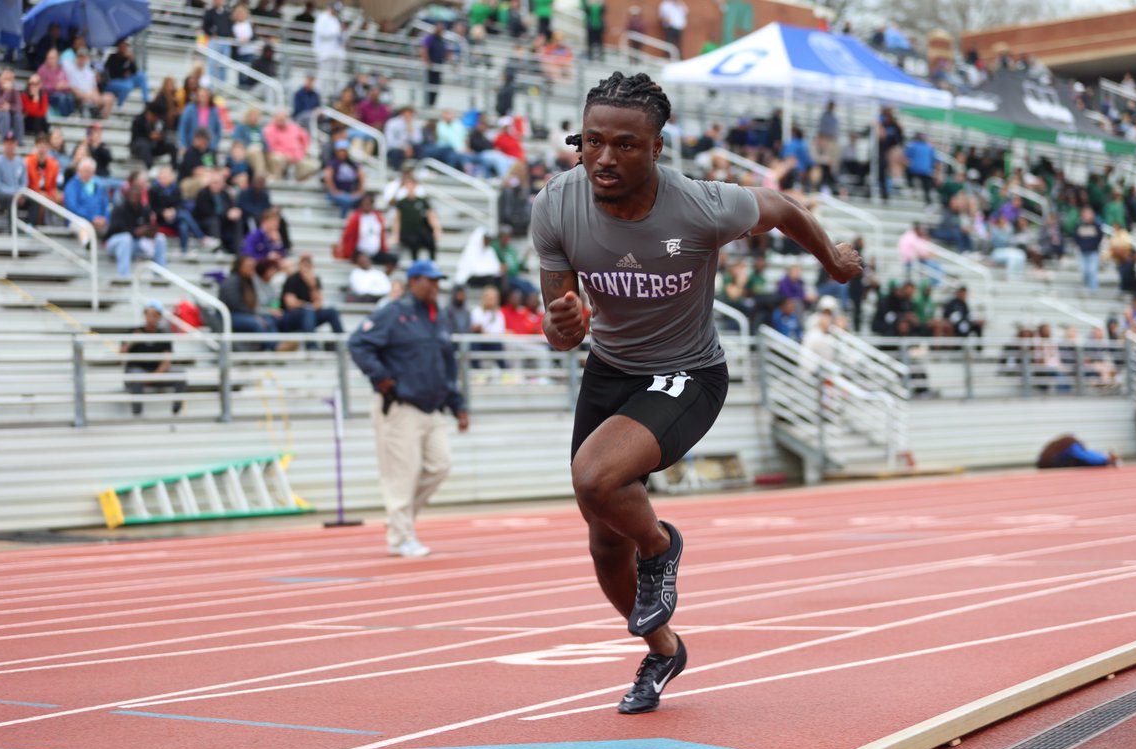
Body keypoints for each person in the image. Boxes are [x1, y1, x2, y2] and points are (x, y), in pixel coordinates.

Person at [531, 72, 861, 714]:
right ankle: (662, 648)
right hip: (610, 371)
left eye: (625, 145)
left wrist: (833, 261)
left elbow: (783, 208)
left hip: (688, 371)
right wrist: (559, 323)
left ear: (657, 148)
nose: (604, 157)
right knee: (602, 538)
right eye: (593, 141)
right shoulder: (556, 205)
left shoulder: (702, 205)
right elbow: (561, 327)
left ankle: (661, 546)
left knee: (596, 480)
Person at [348, 259, 470, 558]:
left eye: (438, 281)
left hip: (432, 407)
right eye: (429, 280)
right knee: (402, 474)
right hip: (401, 406)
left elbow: (447, 365)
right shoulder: (394, 313)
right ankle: (400, 537)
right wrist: (382, 378)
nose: (435, 286)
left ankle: (398, 521)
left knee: (440, 465)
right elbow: (358, 343)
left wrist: (458, 405)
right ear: (413, 281)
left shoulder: (438, 317)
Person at [122, 300, 187, 416]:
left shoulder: (164, 334)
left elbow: (167, 361)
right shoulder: (134, 332)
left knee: (181, 373)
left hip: (156, 373)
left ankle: (176, 412)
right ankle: (137, 414)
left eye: (154, 315)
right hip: (137, 372)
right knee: (136, 375)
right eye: (148, 315)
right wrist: (132, 342)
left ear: (159, 317)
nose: (150, 318)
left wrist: (155, 375)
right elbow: (121, 355)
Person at [279, 253, 344, 347]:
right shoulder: (292, 279)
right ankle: (312, 347)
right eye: (303, 265)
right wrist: (307, 306)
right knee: (308, 311)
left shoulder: (315, 280)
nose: (306, 269)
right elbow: (290, 303)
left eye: (308, 266)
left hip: (309, 314)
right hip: (292, 316)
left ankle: (340, 344)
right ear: (299, 266)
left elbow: (319, 303)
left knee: (332, 311)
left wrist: (312, 286)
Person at [105, 183, 169, 278]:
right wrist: (134, 231)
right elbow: (113, 230)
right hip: (115, 243)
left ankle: (160, 275)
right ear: (127, 195)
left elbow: (148, 227)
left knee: (160, 238)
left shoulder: (145, 209)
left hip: (137, 243)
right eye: (132, 195)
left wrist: (149, 232)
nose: (134, 197)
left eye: (137, 195)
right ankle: (123, 276)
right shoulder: (119, 209)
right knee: (126, 238)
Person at [24, 133, 61, 225]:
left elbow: (53, 185)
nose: (42, 146)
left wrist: (48, 194)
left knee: (61, 198)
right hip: (31, 193)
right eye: (39, 143)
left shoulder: (54, 164)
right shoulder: (28, 161)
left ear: (48, 146)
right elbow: (26, 183)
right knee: (40, 200)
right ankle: (39, 226)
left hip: (47, 193)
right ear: (36, 146)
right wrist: (39, 193)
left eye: (44, 144)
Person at [322, 139, 364, 216]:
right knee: (346, 200)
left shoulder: (352, 163)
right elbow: (327, 176)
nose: (342, 153)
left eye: (344, 150)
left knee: (364, 199)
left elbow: (361, 175)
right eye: (340, 150)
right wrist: (334, 190)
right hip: (338, 192)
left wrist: (360, 191)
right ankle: (343, 219)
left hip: (351, 192)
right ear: (336, 151)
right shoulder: (333, 163)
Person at [103, 40, 150, 108]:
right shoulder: (112, 57)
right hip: (115, 80)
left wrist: (131, 60)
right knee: (128, 85)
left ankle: (146, 101)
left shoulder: (127, 57)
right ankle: (119, 105)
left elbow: (134, 71)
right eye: (122, 46)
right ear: (118, 47)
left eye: (125, 46)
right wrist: (124, 72)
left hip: (126, 79)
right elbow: (111, 72)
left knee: (142, 76)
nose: (124, 48)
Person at [0, 132, 27, 217]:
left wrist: (20, 193)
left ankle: (30, 227)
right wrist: (15, 193)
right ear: (4, 144)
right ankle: (12, 229)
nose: (10, 145)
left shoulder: (21, 162)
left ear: (16, 143)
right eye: (7, 142)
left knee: (34, 200)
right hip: (0, 195)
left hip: (17, 194)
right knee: (12, 199)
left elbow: (24, 183)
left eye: (12, 142)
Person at [131, 104, 178, 169]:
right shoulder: (138, 120)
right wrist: (149, 136)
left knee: (172, 146)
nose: (156, 119)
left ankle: (175, 168)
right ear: (149, 114)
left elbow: (164, 135)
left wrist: (160, 137)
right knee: (143, 145)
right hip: (140, 146)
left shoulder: (160, 122)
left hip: (155, 146)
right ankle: (150, 167)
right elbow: (136, 136)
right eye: (155, 117)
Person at [1036, 435, 1118, 469]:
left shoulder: (1062, 444)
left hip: (1044, 463)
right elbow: (1084, 455)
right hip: (1048, 464)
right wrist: (1105, 459)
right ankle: (1107, 458)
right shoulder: (1071, 444)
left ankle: (1106, 458)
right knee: (1083, 458)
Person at [420, 21, 448, 108]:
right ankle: (427, 104)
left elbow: (446, 53)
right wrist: (427, 61)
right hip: (430, 68)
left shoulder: (442, 41)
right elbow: (424, 49)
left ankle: (432, 105)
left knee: (436, 88)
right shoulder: (430, 38)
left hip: (438, 68)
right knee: (428, 86)